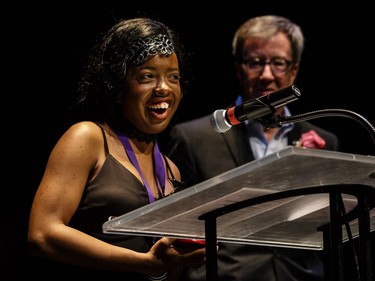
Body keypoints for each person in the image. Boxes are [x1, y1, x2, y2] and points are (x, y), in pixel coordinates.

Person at [27, 17, 206, 281]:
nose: (164, 88)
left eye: (173, 77)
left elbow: (165, 267)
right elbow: (42, 234)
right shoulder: (87, 138)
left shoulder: (171, 170)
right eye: (147, 76)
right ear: (117, 82)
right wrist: (144, 263)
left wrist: (180, 256)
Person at [164, 15, 340, 281]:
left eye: (278, 63)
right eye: (255, 62)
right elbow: (180, 226)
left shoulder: (325, 141)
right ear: (238, 68)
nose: (266, 75)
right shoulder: (193, 137)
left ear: (294, 70)